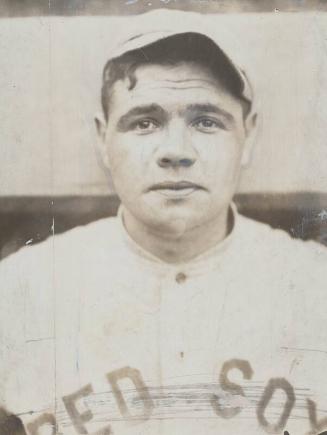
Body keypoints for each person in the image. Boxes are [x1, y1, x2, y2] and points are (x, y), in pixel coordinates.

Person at [0, 9, 326, 435]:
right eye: (145, 122)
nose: (176, 150)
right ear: (103, 139)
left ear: (248, 137)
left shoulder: (315, 285)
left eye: (207, 121)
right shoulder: (19, 290)